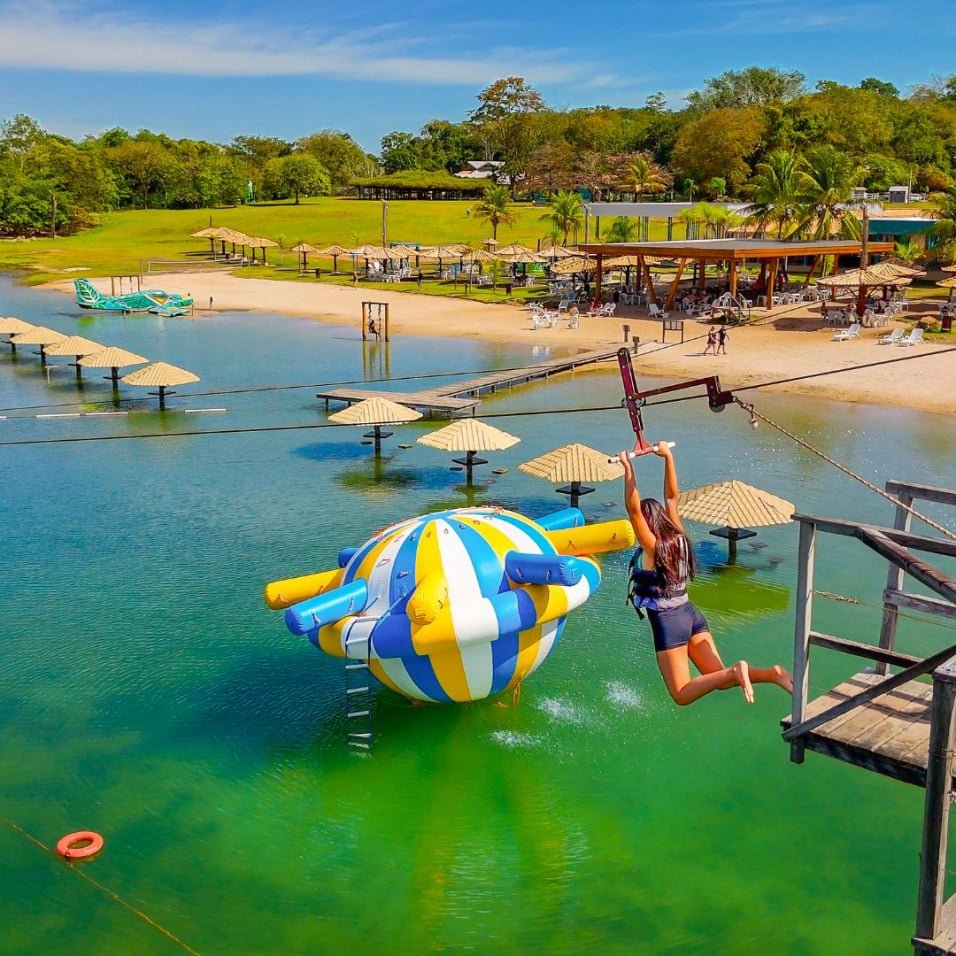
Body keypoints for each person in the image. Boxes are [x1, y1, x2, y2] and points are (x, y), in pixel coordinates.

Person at [617, 444, 792, 705]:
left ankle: (736, 670)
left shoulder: (652, 548)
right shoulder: (680, 538)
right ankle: (773, 674)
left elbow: (633, 510)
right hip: (691, 615)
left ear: (647, 523)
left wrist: (628, 469)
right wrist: (668, 457)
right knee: (718, 678)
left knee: (681, 694)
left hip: (669, 622)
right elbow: (672, 498)